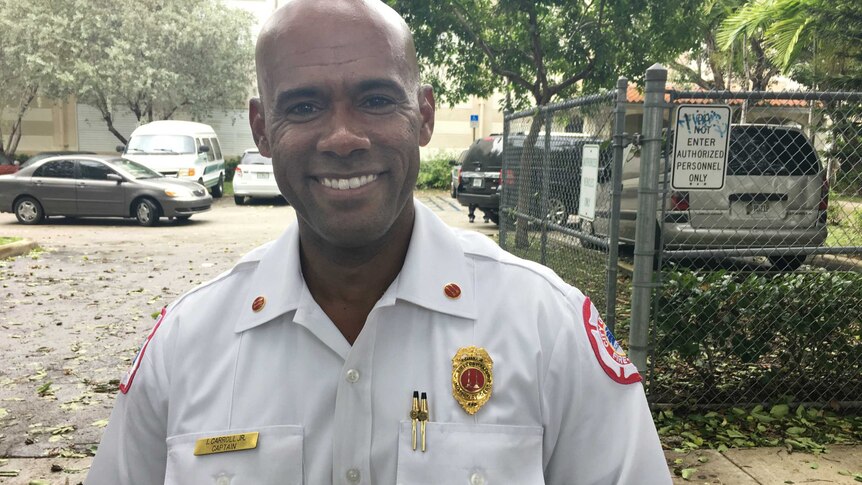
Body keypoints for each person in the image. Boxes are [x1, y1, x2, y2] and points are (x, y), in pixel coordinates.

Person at [86, 0, 672, 483]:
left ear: (421, 115)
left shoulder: (548, 328)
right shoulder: (187, 344)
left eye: (374, 99)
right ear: (263, 129)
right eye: (305, 106)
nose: (343, 137)